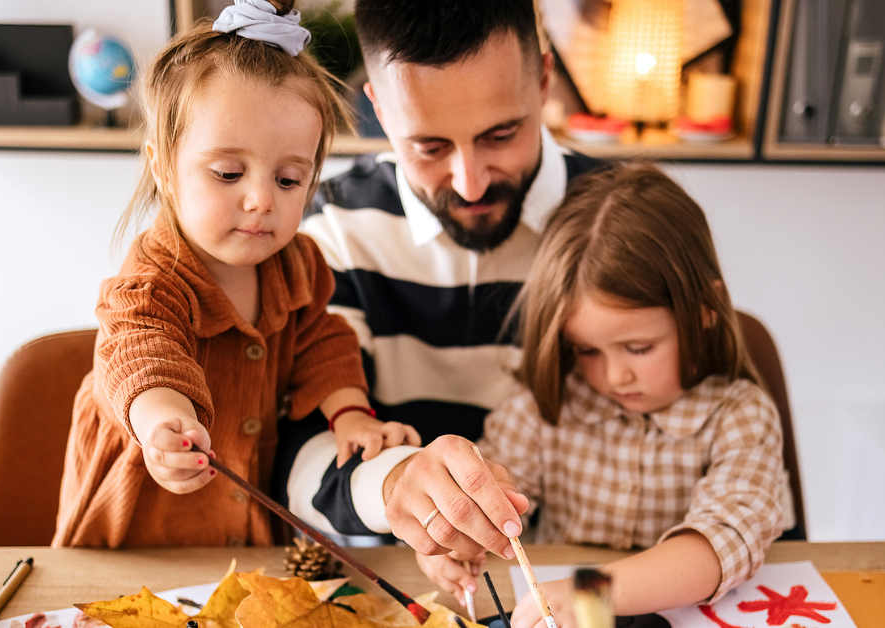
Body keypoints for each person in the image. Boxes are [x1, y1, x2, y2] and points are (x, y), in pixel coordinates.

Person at [52, 0, 418, 548]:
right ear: (164, 168)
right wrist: (163, 424)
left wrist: (351, 416)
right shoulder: (151, 283)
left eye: (290, 180)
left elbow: (323, 342)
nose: (260, 200)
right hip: (133, 535)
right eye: (228, 173)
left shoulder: (298, 266)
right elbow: (138, 352)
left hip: (241, 527)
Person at [278, 0, 600, 549]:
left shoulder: (625, 216)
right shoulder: (333, 229)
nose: (471, 184)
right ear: (377, 106)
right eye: (429, 147)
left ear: (544, 81)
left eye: (501, 136)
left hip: (589, 570)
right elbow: (300, 453)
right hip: (399, 577)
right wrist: (395, 484)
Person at [414, 161, 790, 628]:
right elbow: (492, 503)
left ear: (705, 312)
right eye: (586, 350)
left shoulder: (740, 415)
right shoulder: (544, 405)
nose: (613, 376)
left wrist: (592, 595)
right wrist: (457, 539)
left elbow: (725, 541)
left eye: (639, 347)